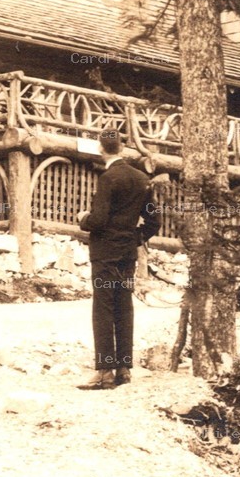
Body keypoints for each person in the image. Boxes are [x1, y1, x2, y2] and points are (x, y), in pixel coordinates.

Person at [75, 127, 160, 390]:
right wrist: (135, 238)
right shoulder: (141, 178)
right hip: (127, 253)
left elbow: (98, 220)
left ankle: (105, 373)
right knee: (124, 307)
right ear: (121, 148)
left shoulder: (108, 178)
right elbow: (154, 222)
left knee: (103, 309)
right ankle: (124, 369)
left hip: (105, 254)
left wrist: (83, 220)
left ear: (101, 148)